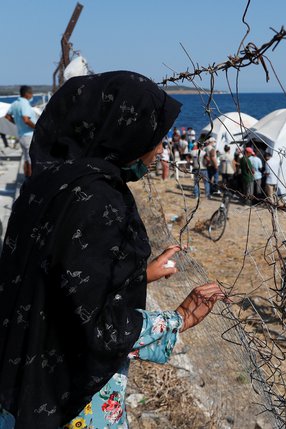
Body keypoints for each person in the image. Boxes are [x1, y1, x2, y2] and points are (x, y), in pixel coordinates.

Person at [0, 71, 229, 428]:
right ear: (126, 131)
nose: (160, 148)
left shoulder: (47, 184)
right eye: (155, 135)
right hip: (67, 407)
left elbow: (63, 278)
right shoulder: (99, 201)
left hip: (16, 381)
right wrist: (177, 320)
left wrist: (136, 275)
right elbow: (97, 329)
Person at [4, 86, 37, 177]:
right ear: (27, 94)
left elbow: (7, 116)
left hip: (21, 135)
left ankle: (27, 180)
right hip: (29, 135)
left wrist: (17, 124)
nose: (32, 95)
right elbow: (26, 119)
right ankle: (31, 182)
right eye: (31, 93)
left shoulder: (15, 103)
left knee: (26, 159)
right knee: (32, 160)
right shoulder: (25, 104)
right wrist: (37, 127)